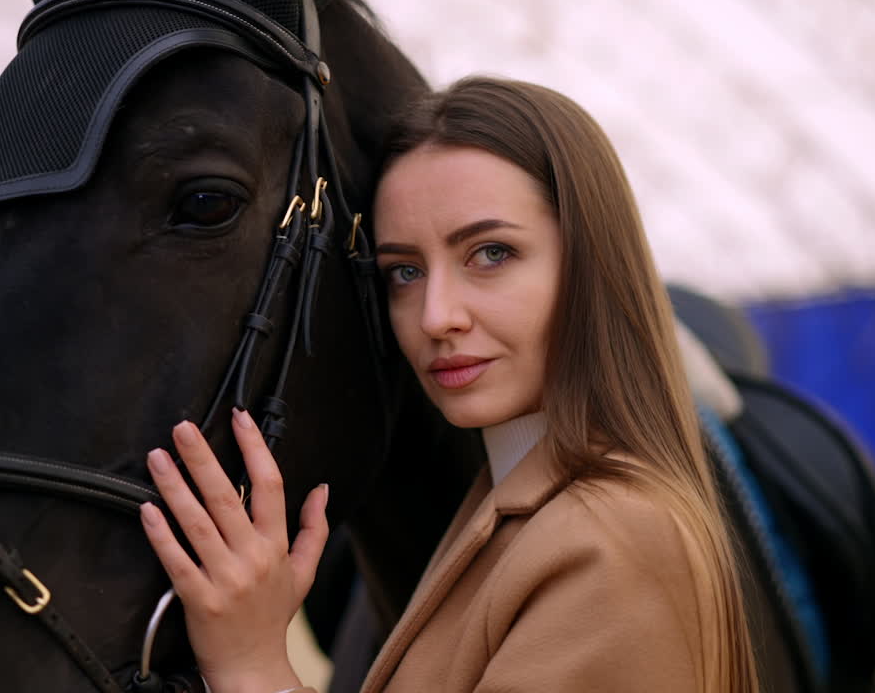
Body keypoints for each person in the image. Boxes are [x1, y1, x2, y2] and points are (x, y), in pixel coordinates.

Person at [138, 77, 759, 693]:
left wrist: (254, 666)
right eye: (404, 271)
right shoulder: (515, 503)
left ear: (591, 265)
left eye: (490, 253)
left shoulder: (611, 542)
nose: (436, 316)